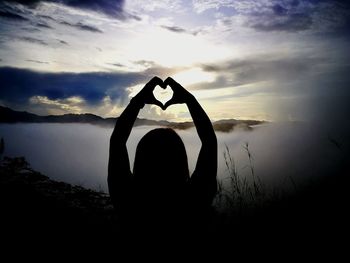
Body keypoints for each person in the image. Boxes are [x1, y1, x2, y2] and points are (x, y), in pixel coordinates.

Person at [108, 76, 217, 237]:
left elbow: (117, 140)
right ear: (180, 161)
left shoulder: (128, 199)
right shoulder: (193, 200)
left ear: (141, 159)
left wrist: (138, 101)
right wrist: (189, 100)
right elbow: (209, 141)